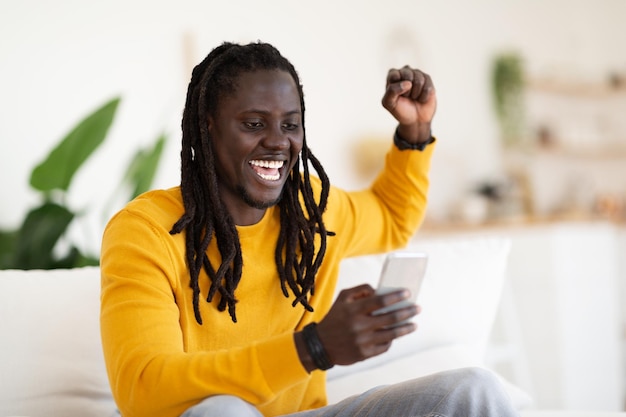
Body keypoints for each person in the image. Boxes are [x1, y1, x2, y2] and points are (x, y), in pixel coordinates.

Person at [100, 41, 519, 417]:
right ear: (207, 127)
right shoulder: (145, 231)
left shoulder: (310, 210)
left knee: (474, 391)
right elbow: (143, 387)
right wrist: (313, 347)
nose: (278, 142)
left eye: (290, 124)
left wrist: (414, 132)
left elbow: (392, 217)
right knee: (222, 412)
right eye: (254, 124)